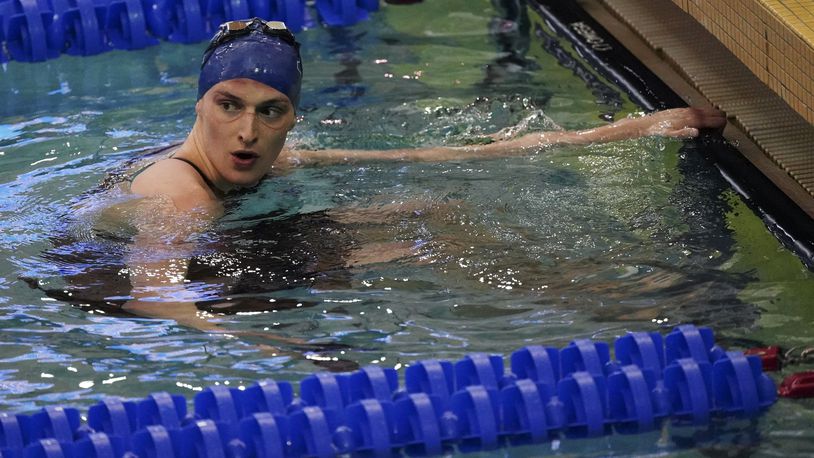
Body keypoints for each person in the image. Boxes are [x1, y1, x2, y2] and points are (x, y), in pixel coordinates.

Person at [96, 18, 726, 339]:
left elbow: (451, 155)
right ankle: (626, 310)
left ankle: (617, 303)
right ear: (198, 104)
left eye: (271, 112)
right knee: (432, 240)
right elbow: (156, 298)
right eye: (228, 105)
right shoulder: (175, 192)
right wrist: (277, 350)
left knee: (433, 207)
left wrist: (627, 130)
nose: (248, 133)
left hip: (231, 253)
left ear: (292, 118)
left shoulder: (272, 159)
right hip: (123, 281)